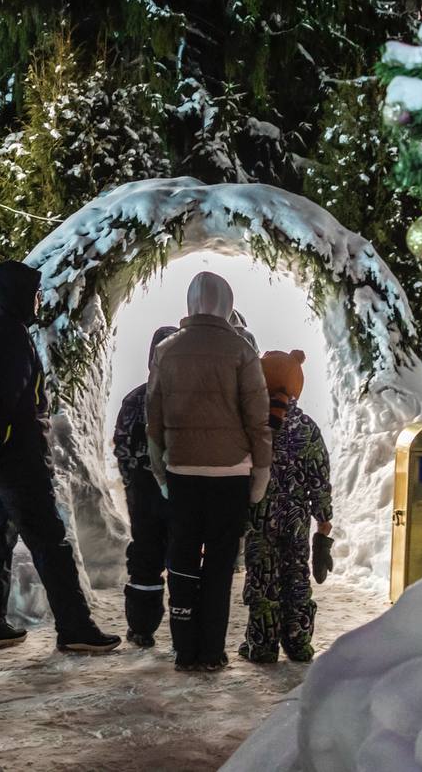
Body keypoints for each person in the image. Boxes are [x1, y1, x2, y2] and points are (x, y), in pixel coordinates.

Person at [0, 260, 120, 653]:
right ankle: (75, 626)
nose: (38, 301)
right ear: (16, 294)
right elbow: (8, 402)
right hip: (18, 464)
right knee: (51, 542)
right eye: (33, 293)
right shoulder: (10, 337)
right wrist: (21, 446)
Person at [147, 271, 272, 672]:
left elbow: (153, 418)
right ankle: (211, 651)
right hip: (231, 474)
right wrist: (261, 472)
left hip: (182, 470)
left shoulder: (166, 350)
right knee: (219, 564)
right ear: (228, 304)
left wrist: (161, 472)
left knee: (182, 558)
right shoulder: (241, 350)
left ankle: (184, 647)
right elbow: (257, 420)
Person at [239, 350, 334, 665]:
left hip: (259, 518)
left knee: (262, 581)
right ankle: (298, 642)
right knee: (296, 578)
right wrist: (323, 518)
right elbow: (319, 478)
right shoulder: (306, 428)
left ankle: (262, 645)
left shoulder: (252, 423)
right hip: (295, 520)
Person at [113, 325, 179, 648]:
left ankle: (141, 626)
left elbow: (122, 446)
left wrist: (131, 484)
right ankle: (186, 628)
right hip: (179, 488)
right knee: (182, 556)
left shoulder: (135, 399)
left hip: (143, 491)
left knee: (144, 558)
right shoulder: (188, 398)